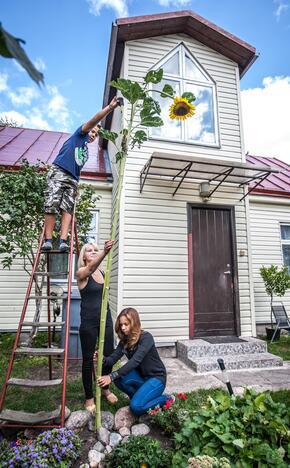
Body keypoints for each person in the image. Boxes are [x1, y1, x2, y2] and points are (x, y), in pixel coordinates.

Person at [42, 96, 120, 251]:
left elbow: (77, 168)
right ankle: (49, 240)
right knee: (52, 204)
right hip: (59, 171)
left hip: (72, 178)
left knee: (67, 208)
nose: (93, 134)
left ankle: (63, 240)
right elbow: (94, 119)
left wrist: (76, 185)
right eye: (92, 131)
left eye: (96, 134)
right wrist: (110, 108)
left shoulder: (85, 150)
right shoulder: (79, 134)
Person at [97, 307, 173, 416]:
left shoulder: (146, 337)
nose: (123, 328)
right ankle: (139, 398)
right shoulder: (125, 341)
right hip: (141, 378)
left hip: (156, 378)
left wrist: (111, 376)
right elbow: (112, 359)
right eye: (121, 324)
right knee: (119, 379)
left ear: (134, 323)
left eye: (126, 324)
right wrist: (102, 359)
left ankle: (166, 399)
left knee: (136, 408)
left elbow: (134, 362)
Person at [76, 240, 118, 413]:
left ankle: (104, 388)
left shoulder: (101, 271)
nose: (93, 252)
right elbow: (91, 268)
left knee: (108, 354)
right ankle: (89, 397)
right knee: (87, 360)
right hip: (89, 321)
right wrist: (105, 252)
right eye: (89, 250)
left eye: (95, 249)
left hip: (105, 318)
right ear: (83, 257)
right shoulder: (82, 273)